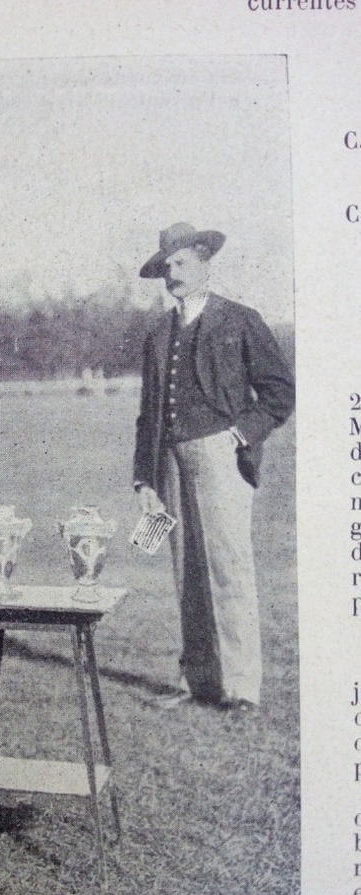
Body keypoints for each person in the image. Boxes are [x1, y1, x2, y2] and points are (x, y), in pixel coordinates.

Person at [134, 222, 294, 711]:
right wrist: (144, 479)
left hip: (223, 459)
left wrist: (240, 434)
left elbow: (279, 393)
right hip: (172, 463)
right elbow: (148, 414)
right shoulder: (159, 333)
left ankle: (242, 689)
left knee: (229, 571)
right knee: (187, 573)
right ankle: (199, 683)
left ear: (205, 263)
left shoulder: (240, 320)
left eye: (180, 264)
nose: (172, 275)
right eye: (166, 268)